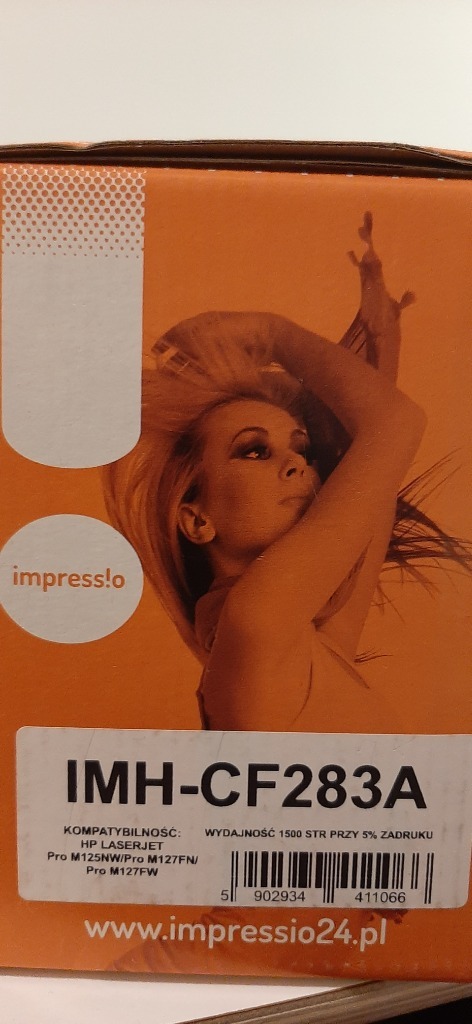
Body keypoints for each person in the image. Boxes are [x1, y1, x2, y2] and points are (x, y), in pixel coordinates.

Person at [104, 214, 468, 734]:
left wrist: (380, 339)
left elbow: (372, 489)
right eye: (254, 451)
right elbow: (395, 424)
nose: (298, 464)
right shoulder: (257, 620)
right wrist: (268, 334)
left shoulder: (296, 644)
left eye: (301, 449)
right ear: (197, 519)